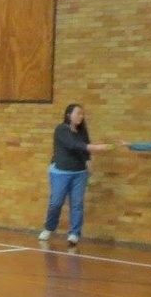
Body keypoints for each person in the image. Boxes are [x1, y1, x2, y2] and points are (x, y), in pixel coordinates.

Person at [39, 103, 112, 246]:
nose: (81, 116)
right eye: (78, 113)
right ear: (68, 115)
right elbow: (73, 145)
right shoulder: (61, 129)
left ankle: (74, 234)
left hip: (79, 173)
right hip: (60, 172)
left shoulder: (82, 132)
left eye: (82, 114)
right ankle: (49, 228)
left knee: (77, 204)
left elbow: (84, 154)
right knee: (56, 203)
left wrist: (90, 171)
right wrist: (96, 147)